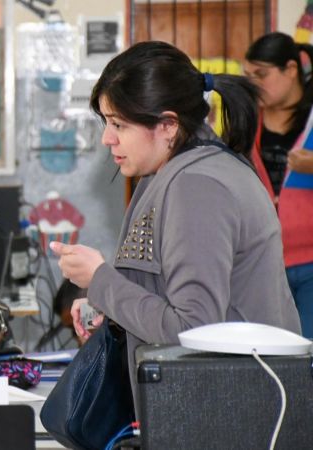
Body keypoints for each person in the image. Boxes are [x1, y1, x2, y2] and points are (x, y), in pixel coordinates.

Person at [49, 41, 302, 402]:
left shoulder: (197, 185)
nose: (107, 138)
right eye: (106, 123)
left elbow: (193, 328)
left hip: (231, 411)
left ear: (168, 125)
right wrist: (109, 305)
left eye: (118, 124)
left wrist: (101, 280)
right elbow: (167, 292)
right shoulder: (175, 170)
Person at [244, 32, 313, 338]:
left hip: (311, 262)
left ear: (290, 69)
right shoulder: (247, 121)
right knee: (273, 357)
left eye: (261, 74)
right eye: (248, 76)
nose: (254, 83)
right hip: (264, 262)